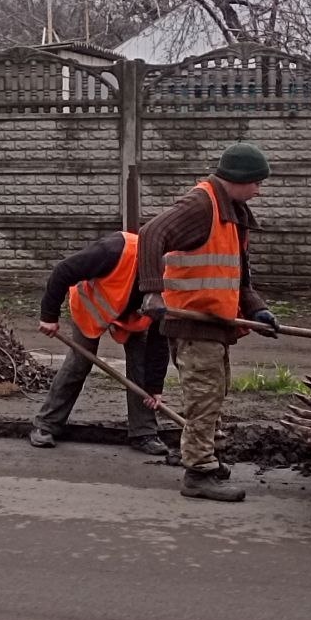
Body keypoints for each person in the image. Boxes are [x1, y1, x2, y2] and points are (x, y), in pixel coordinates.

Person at [137, 141, 279, 502]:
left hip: (215, 323)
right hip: (192, 323)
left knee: (215, 394)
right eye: (256, 183)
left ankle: (209, 459)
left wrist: (257, 309)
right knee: (204, 397)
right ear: (239, 178)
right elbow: (152, 234)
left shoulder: (230, 211)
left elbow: (236, 275)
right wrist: (152, 292)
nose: (259, 191)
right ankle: (198, 473)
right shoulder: (201, 204)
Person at [30, 230, 172, 456]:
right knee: (80, 363)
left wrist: (155, 388)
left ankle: (143, 432)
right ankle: (46, 424)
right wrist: (49, 317)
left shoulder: (168, 283)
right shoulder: (114, 250)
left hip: (131, 319)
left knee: (141, 365)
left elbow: (159, 340)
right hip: (91, 307)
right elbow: (62, 271)